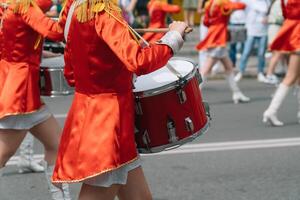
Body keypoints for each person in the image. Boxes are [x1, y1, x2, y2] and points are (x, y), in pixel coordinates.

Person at [50, 0, 188, 199]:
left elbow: (72, 74)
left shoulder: (74, 9)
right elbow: (139, 61)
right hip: (109, 122)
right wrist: (174, 37)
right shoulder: (104, 11)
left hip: (91, 112)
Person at [0, 0, 71, 199]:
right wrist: (72, 6)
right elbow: (56, 32)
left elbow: (18, 42)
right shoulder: (25, 6)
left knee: (57, 145)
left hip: (18, 87)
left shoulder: (8, 5)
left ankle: (62, 197)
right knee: (2, 156)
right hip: (20, 93)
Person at [196, 0, 250, 104]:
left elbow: (206, 22)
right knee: (206, 69)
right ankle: (194, 96)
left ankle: (237, 93)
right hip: (219, 37)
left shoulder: (209, 3)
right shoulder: (223, 2)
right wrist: (230, 11)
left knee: (228, 67)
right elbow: (242, 5)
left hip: (213, 34)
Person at [263, 0, 300, 126]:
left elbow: (285, 13)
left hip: (290, 31)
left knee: (296, 76)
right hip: (298, 33)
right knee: (291, 76)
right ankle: (271, 111)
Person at [234, 0, 271, 83]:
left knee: (261, 53)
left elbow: (269, 12)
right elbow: (236, 3)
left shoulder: (266, 1)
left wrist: (267, 18)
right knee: (246, 52)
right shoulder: (249, 1)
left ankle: (260, 73)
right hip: (251, 30)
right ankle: (241, 72)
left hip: (263, 30)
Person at [264, 0, 286, 85]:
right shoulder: (280, 2)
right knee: (277, 52)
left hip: (278, 28)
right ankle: (269, 74)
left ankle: (284, 70)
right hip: (276, 27)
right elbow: (281, 17)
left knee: (283, 52)